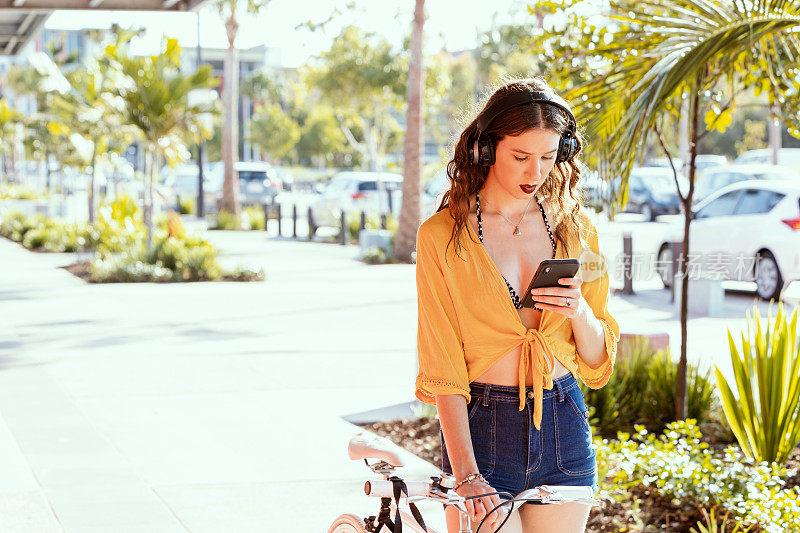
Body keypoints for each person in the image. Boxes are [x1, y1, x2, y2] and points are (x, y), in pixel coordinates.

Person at [414, 76, 620, 533]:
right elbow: (443, 364)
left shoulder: (577, 228)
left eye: (548, 157)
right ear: (486, 150)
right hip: (482, 434)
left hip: (563, 423)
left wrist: (579, 312)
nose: (535, 173)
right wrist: (466, 473)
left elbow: (597, 359)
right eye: (521, 157)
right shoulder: (442, 237)